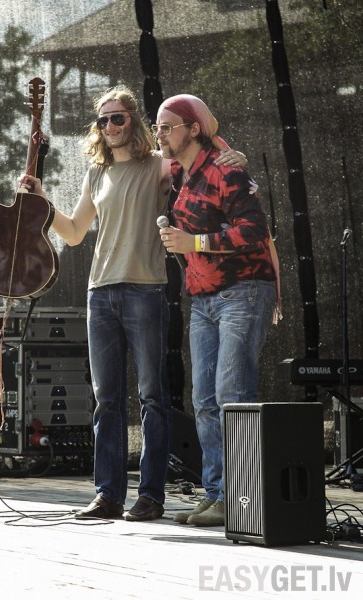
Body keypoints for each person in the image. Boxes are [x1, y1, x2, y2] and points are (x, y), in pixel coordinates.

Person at [20, 86, 247, 522]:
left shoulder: (159, 165)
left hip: (145, 290)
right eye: (103, 120)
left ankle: (151, 497)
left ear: (134, 121)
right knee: (105, 399)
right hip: (100, 292)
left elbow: (202, 156)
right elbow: (74, 233)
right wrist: (43, 199)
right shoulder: (96, 173)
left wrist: (231, 154)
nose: (109, 126)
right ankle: (107, 495)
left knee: (152, 397)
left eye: (117, 118)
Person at [156, 94, 281, 527]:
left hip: (243, 291)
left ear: (193, 128)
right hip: (203, 298)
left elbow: (255, 230)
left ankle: (242, 499)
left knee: (232, 394)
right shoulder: (178, 172)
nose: (160, 134)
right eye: (157, 127)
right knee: (205, 400)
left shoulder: (226, 169)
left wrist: (194, 242)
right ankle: (217, 496)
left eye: (167, 126)